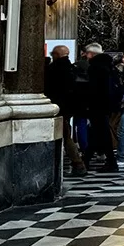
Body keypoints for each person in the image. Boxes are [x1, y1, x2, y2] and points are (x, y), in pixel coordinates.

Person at [45, 45, 86, 177]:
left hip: (57, 107)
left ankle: (78, 164)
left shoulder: (54, 69)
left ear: (56, 54)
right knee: (66, 134)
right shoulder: (72, 68)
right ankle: (76, 163)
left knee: (66, 136)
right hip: (68, 108)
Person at [85, 43, 121, 173]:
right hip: (108, 105)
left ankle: (109, 162)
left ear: (92, 54)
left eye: (87, 53)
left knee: (100, 133)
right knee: (98, 133)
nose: (85, 55)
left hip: (98, 105)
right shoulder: (110, 67)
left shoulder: (95, 68)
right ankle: (86, 161)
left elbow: (94, 89)